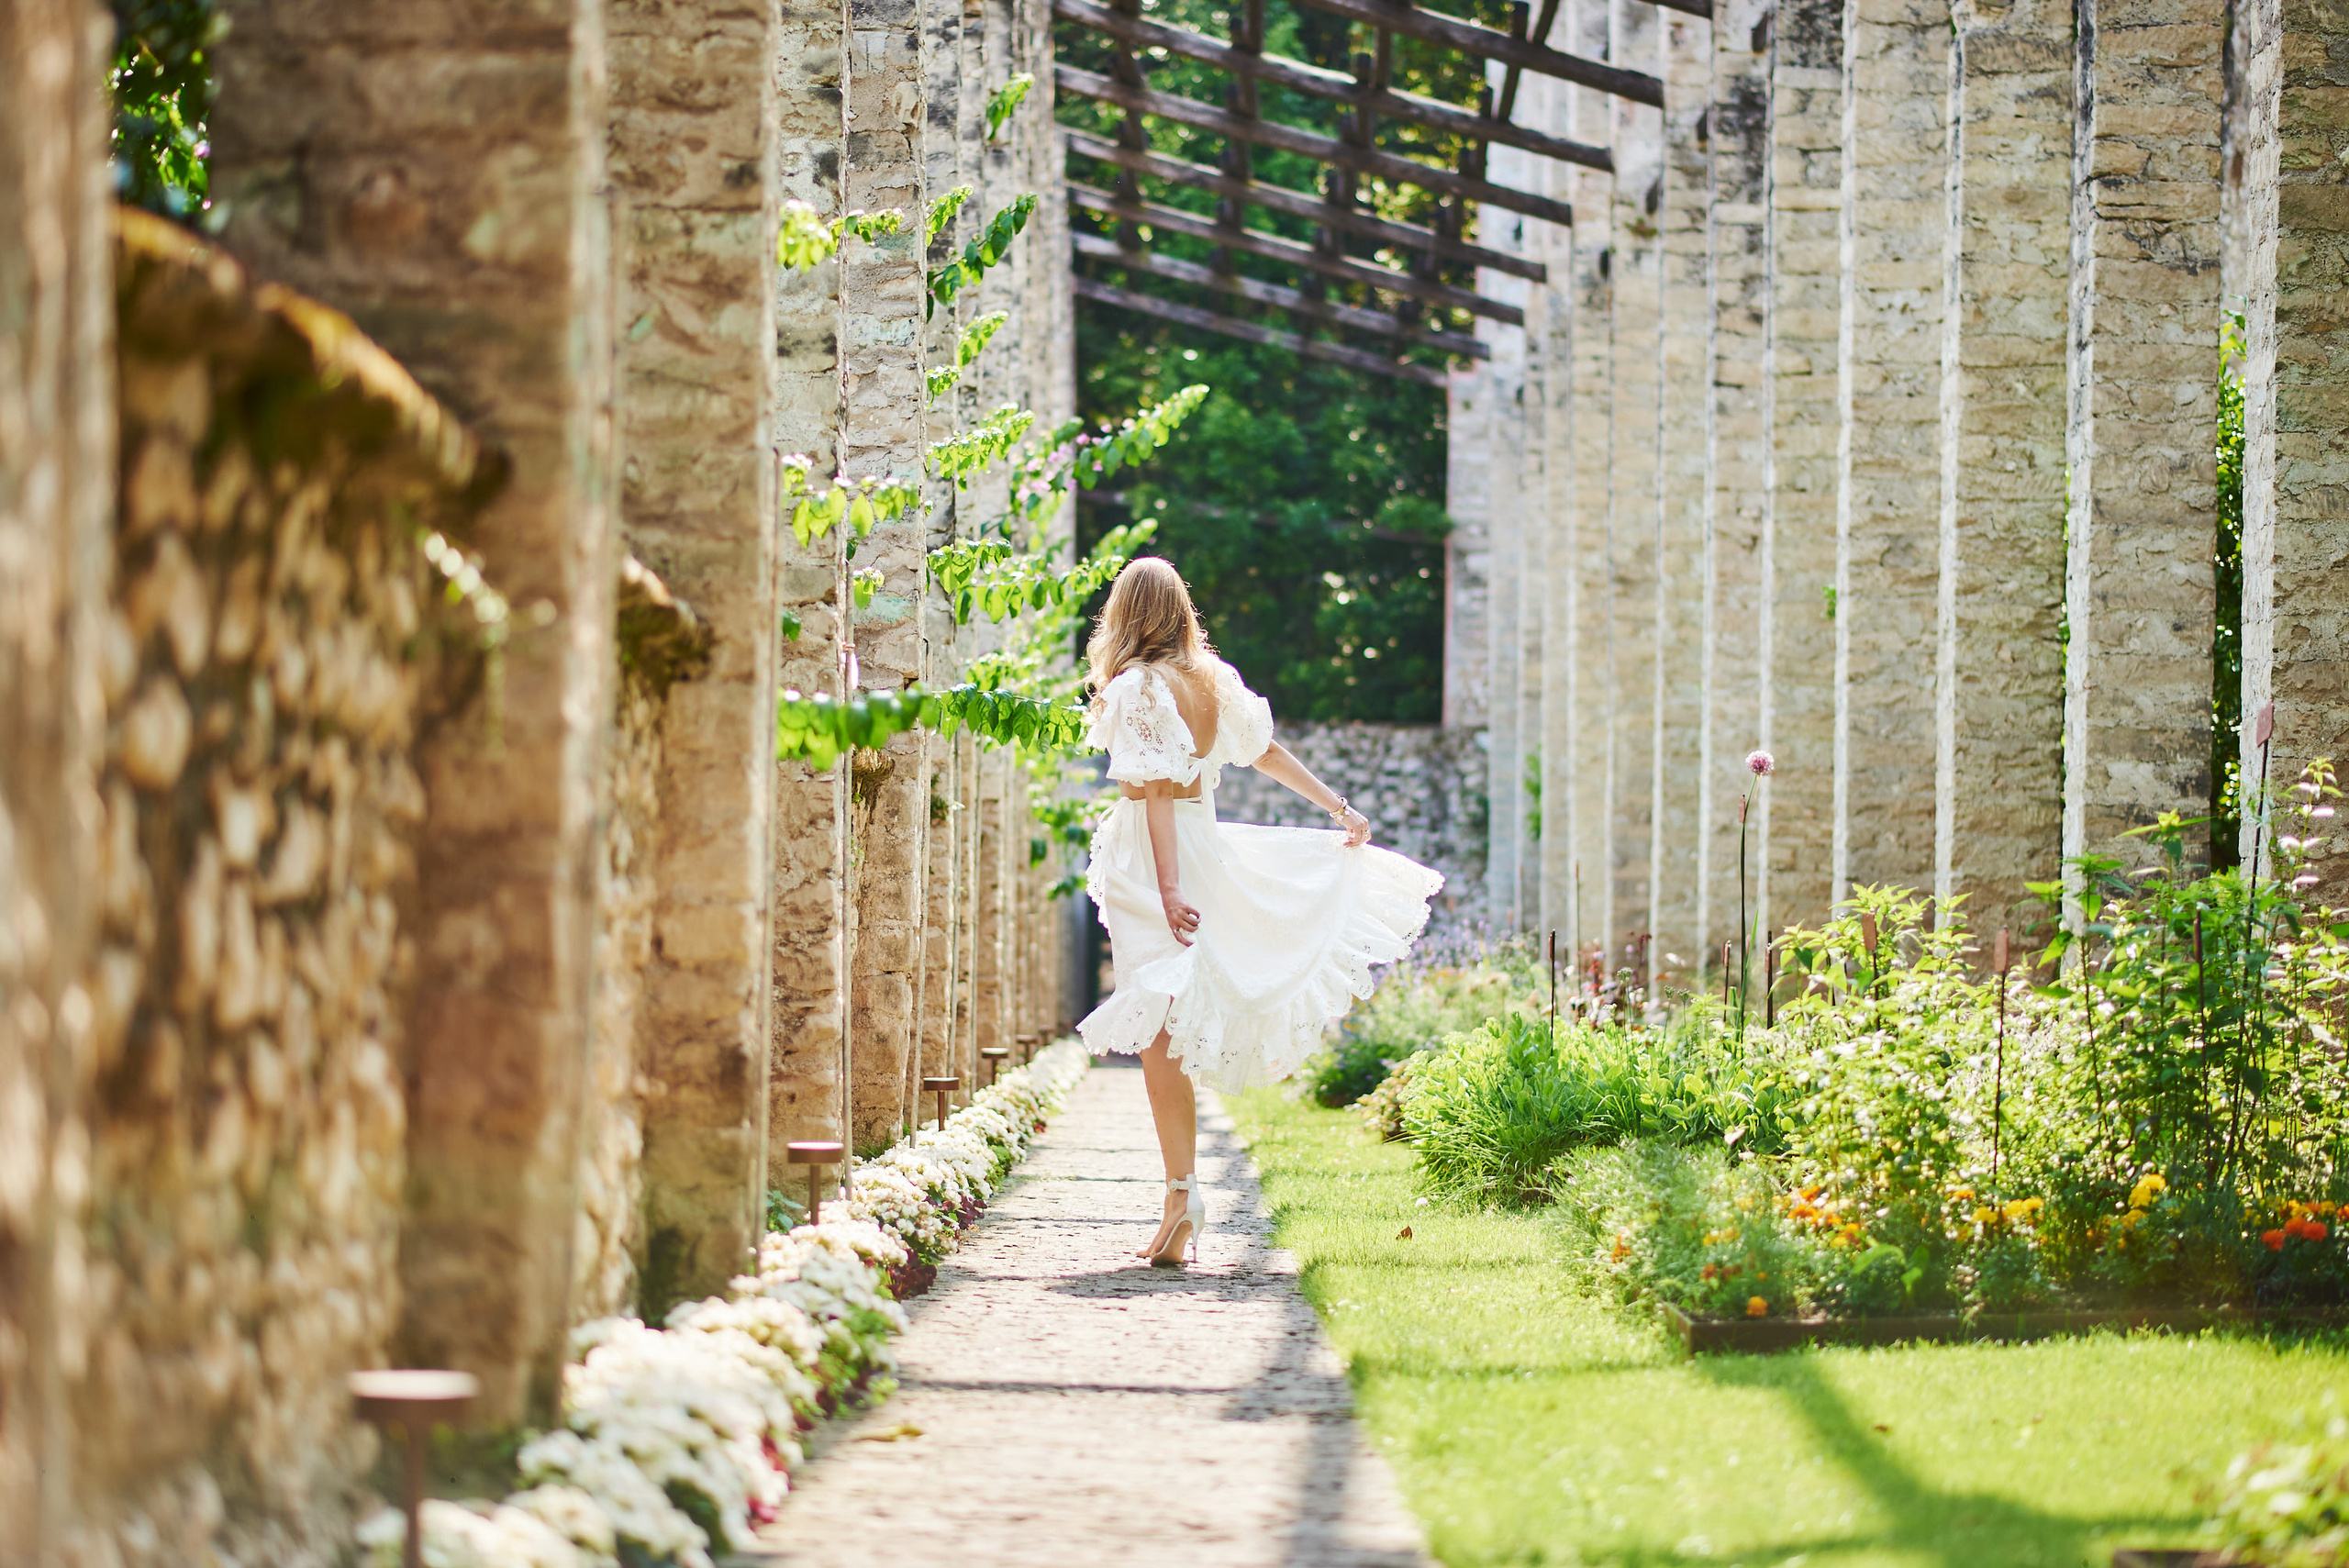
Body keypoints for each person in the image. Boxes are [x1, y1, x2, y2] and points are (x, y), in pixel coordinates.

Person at [1075, 557, 1444, 1266]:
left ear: (1124, 614)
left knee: (1158, 1026)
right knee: (1164, 1023)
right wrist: (1339, 806)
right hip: (1195, 846)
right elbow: (1265, 751)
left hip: (1155, 859)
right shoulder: (1214, 680)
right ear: (1179, 610)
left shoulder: (1137, 687)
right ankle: (1179, 1195)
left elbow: (1153, 792)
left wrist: (1169, 887)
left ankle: (1181, 1193)